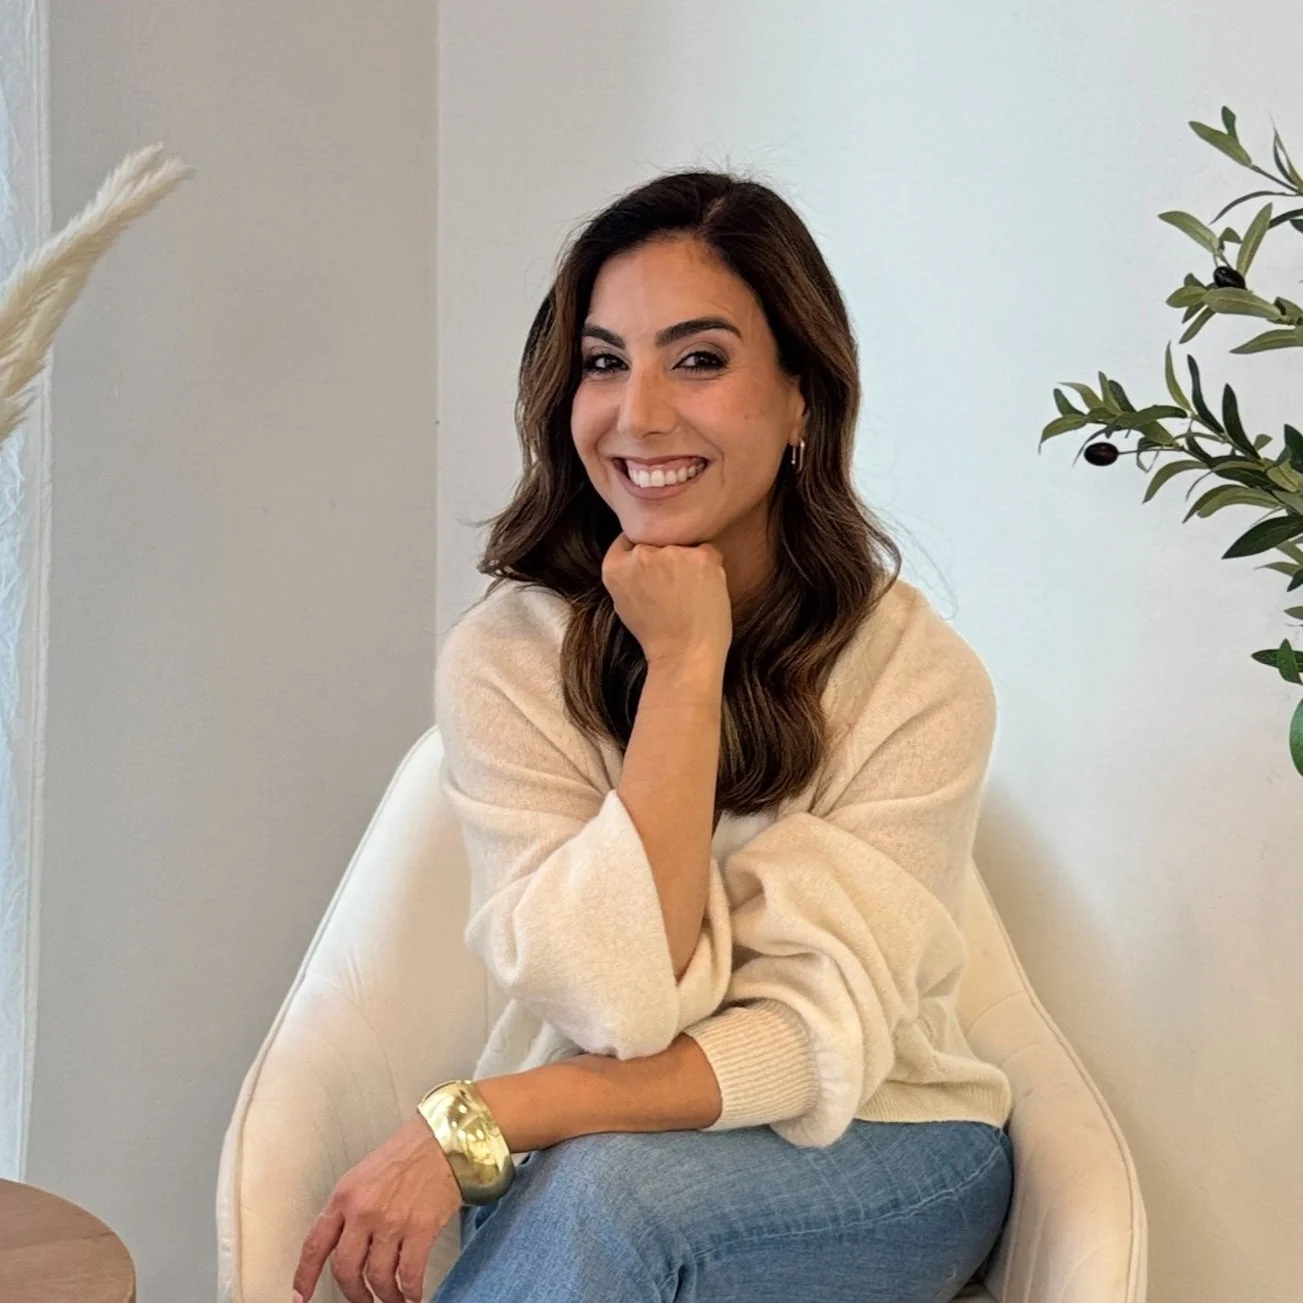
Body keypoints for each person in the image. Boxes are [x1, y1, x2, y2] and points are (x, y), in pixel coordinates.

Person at [292, 169, 1015, 1303]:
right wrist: (681, 673)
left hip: (887, 1141)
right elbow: (615, 999)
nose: (639, 415)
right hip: (609, 1155)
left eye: (699, 359)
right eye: (603, 360)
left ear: (800, 400)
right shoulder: (513, 657)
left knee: (608, 1201)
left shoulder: (917, 681)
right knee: (601, 1196)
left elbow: (798, 1042)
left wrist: (484, 1116)